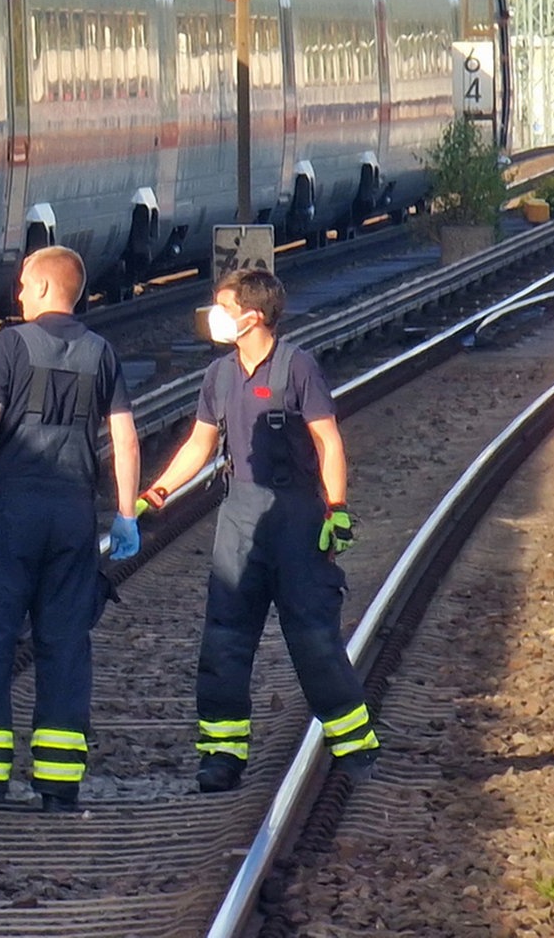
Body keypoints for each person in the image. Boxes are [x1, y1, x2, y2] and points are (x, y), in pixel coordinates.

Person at [136, 267, 376, 794]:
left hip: (295, 517)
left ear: (253, 315)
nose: (214, 317)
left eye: (222, 307)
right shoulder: (219, 375)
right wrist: (156, 492)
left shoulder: (298, 367)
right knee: (224, 638)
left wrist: (336, 508)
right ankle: (222, 754)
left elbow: (327, 442)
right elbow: (199, 444)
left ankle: (355, 749)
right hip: (239, 517)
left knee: (313, 637)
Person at [0, 246, 139, 812]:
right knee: (66, 644)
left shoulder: (11, 345)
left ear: (47, 288)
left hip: (13, 511)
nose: (17, 294)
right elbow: (123, 436)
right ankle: (58, 785)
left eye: (24, 284)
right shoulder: (101, 352)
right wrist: (124, 513)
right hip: (75, 515)